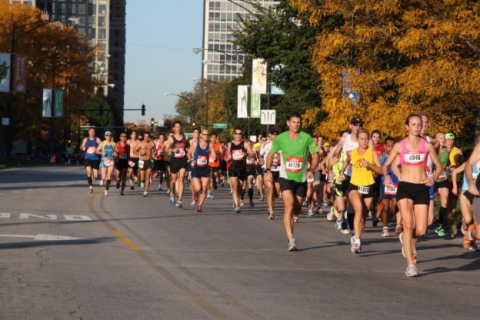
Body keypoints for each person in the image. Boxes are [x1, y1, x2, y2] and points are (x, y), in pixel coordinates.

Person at [382, 114, 442, 277]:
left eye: (418, 124)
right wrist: (388, 176)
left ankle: (406, 238)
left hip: (421, 187)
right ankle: (410, 264)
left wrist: (433, 178)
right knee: (408, 224)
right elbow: (387, 165)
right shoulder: (400, 146)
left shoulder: (427, 146)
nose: (416, 127)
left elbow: (439, 166)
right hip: (405, 187)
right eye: (413, 124)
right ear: (407, 127)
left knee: (421, 229)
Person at [265, 112, 319, 251]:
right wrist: (268, 170)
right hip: (286, 177)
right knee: (288, 206)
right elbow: (271, 154)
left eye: (298, 122)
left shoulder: (306, 137)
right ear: (288, 123)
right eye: (293, 122)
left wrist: (312, 168)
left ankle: (294, 219)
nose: (296, 125)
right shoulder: (281, 138)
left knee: (297, 209)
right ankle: (291, 240)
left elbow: (315, 154)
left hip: (301, 178)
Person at [339, 128, 383, 253]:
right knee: (358, 210)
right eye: (361, 139)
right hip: (354, 185)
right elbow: (346, 161)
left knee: (363, 218)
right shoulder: (352, 152)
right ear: (357, 140)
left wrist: (370, 165)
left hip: (368, 186)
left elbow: (381, 170)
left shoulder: (372, 152)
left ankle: (356, 236)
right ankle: (357, 241)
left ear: (369, 139)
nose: (364, 141)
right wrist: (342, 172)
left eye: (366, 139)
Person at [227, 128, 255, 213]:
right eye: (237, 133)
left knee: (240, 188)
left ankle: (236, 199)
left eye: (240, 134)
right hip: (233, 168)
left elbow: (252, 154)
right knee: (235, 187)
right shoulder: (230, 144)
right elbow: (227, 156)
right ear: (234, 134)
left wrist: (246, 154)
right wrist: (228, 158)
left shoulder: (245, 144)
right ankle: (237, 205)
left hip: (242, 168)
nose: (238, 135)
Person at [188, 129, 216, 212]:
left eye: (207, 134)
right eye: (204, 134)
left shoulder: (210, 145)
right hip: (196, 168)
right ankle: (195, 193)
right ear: (201, 135)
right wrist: (191, 160)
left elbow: (214, 154)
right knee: (198, 188)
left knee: (204, 189)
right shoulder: (195, 144)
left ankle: (200, 205)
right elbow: (188, 153)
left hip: (205, 169)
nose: (206, 136)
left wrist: (214, 157)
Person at [165, 121, 190, 207]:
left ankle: (180, 200)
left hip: (183, 159)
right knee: (173, 180)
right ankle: (172, 193)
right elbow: (165, 149)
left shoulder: (185, 138)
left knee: (182, 178)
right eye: (176, 127)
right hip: (174, 160)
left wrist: (190, 156)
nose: (178, 128)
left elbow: (188, 148)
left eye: (179, 127)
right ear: (174, 128)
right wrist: (172, 150)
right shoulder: (171, 138)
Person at [260, 127, 281, 219]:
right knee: (270, 189)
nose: (275, 136)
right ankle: (271, 211)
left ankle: (270, 205)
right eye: (273, 134)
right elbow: (260, 155)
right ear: (269, 135)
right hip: (268, 170)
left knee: (276, 193)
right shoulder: (266, 145)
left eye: (276, 134)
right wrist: (260, 160)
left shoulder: (282, 145)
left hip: (279, 170)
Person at [379, 136, 398, 237]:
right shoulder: (381, 156)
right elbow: (378, 169)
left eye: (392, 146)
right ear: (385, 146)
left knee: (395, 207)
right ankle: (385, 228)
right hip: (385, 183)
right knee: (385, 207)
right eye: (388, 146)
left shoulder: (397, 157)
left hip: (395, 183)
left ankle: (396, 222)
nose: (390, 148)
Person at [433, 132, 450, 237]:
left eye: (443, 138)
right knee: (428, 202)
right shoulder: (434, 150)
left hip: (443, 178)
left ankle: (439, 225)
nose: (442, 140)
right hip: (433, 178)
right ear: (436, 139)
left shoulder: (447, 150)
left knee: (444, 201)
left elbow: (446, 162)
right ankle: (425, 224)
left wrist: (449, 167)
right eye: (440, 138)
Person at [80, 127, 102, 193]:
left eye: (93, 132)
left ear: (95, 133)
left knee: (95, 177)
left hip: (95, 159)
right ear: (88, 132)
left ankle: (93, 177)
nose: (92, 133)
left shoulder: (97, 139)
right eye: (91, 132)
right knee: (88, 171)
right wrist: (83, 148)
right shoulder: (85, 139)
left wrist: (97, 149)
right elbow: (81, 146)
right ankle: (90, 186)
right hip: (87, 158)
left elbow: (102, 146)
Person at [135, 132, 155, 197]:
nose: (146, 138)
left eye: (147, 137)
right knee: (142, 177)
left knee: (148, 176)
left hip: (149, 161)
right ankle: (142, 181)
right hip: (142, 161)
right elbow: (134, 150)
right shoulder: (140, 143)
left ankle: (146, 191)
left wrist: (154, 154)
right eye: (145, 136)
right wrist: (140, 153)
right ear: (144, 137)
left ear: (149, 137)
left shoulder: (151, 144)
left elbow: (155, 151)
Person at [97, 131, 116, 196]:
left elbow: (117, 151)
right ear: (105, 136)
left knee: (110, 175)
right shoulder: (102, 143)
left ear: (111, 136)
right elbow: (97, 151)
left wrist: (115, 153)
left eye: (109, 135)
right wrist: (102, 153)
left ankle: (106, 190)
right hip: (104, 161)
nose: (108, 137)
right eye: (107, 135)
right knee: (104, 177)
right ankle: (102, 179)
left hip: (111, 161)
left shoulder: (114, 144)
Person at [208, 132, 223, 199]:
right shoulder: (208, 144)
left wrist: (218, 152)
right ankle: (209, 191)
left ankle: (213, 187)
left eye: (215, 137)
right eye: (212, 137)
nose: (213, 139)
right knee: (210, 177)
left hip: (216, 163)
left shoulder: (218, 145)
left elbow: (222, 152)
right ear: (210, 138)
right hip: (208, 163)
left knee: (214, 176)